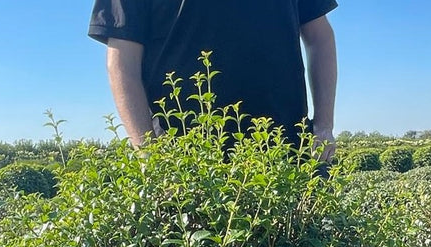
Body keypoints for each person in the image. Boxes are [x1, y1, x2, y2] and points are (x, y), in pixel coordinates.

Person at [88, 1, 338, 159]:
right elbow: (121, 62)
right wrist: (150, 154)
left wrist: (324, 125)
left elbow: (320, 37)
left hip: (288, 151)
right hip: (186, 164)